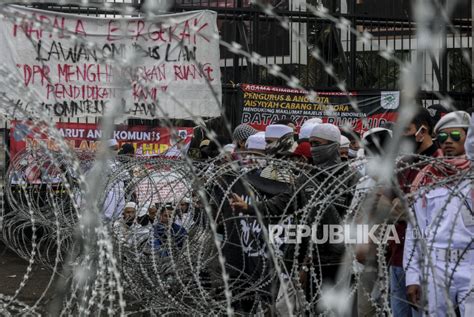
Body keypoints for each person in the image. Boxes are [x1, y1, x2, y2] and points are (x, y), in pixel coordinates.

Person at [404, 111, 473, 316]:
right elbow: (415, 230)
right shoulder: (427, 177)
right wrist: (413, 277)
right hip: (437, 266)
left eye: (455, 136)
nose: (448, 142)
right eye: (442, 137)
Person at [388, 107, 442, 317]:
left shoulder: (440, 164)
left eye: (406, 130)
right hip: (397, 254)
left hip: (427, 262)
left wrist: (405, 210)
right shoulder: (402, 164)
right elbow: (386, 205)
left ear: (423, 130)